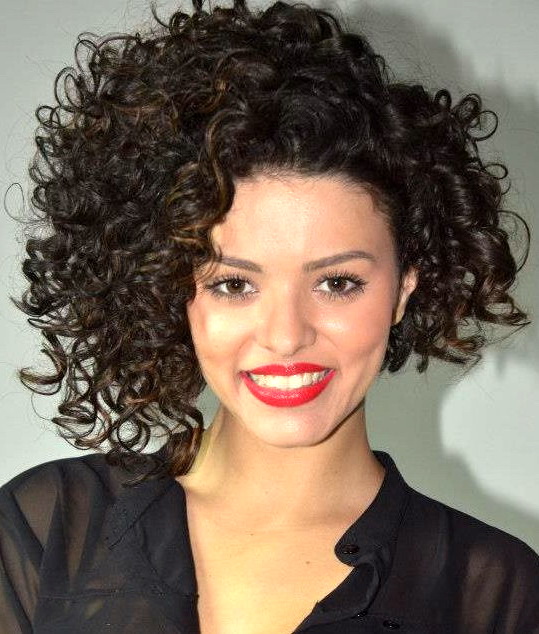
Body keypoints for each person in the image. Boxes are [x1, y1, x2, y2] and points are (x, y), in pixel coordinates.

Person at [1, 0, 538, 632]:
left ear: (403, 290)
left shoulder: (495, 593)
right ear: (169, 287)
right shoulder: (47, 532)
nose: (286, 336)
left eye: (337, 283)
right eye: (234, 284)